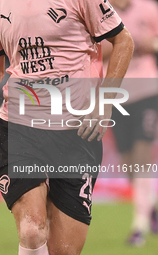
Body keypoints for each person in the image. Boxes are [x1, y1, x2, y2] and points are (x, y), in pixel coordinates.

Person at [0, 0, 134, 254]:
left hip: (77, 132)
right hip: (20, 127)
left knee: (65, 250)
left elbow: (124, 41)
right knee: (32, 229)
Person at [102, 0, 158, 246]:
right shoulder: (98, 13)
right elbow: (96, 50)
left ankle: (139, 227)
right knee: (128, 164)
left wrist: (147, 44)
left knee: (142, 154)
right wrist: (131, 44)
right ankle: (151, 205)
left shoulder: (148, 9)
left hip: (147, 90)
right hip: (116, 94)